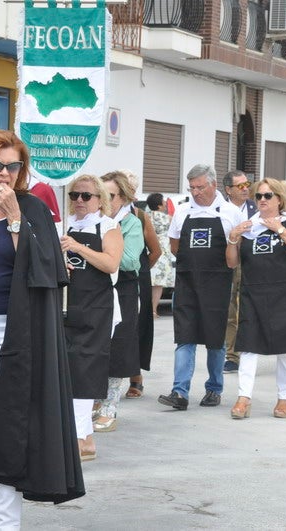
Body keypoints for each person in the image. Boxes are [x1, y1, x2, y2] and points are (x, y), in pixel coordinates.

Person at [0, 129, 84, 528]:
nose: (3, 173)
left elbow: (43, 270)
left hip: (13, 331)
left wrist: (14, 219)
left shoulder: (32, 210)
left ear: (21, 170)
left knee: (2, 424)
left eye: (12, 166)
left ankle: (5, 524)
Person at [158, 164, 242, 410]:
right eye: (192, 187)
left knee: (215, 340)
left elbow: (236, 251)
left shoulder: (230, 212)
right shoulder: (183, 212)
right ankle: (179, 392)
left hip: (217, 284)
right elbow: (175, 246)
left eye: (200, 187)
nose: (195, 192)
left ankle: (214, 389)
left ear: (214, 185)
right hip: (187, 283)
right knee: (185, 337)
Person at [226, 179, 286, 419]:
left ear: (279, 199)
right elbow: (232, 262)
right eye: (259, 196)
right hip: (253, 292)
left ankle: (284, 398)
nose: (262, 199)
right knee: (249, 346)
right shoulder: (247, 226)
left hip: (283, 293)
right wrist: (233, 238)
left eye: (268, 195)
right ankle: (244, 397)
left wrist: (279, 230)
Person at [60, 174, 123, 461]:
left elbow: (111, 263)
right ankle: (83, 439)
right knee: (69, 369)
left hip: (97, 306)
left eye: (86, 196)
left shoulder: (108, 226)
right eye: (75, 195)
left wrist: (78, 247)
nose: (80, 201)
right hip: (68, 305)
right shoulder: (64, 224)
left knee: (85, 369)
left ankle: (80, 437)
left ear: (100, 199)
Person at [94, 171, 143, 430]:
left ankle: (110, 406)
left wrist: (104, 251)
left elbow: (132, 261)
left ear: (123, 198)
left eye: (110, 196)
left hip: (122, 289)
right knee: (94, 346)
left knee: (118, 347)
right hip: (94, 289)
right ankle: (94, 400)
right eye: (100, 194)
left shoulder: (131, 223)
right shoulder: (90, 220)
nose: (104, 200)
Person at [125, 172, 161, 400]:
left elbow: (156, 251)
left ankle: (136, 377)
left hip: (137, 276)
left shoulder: (139, 216)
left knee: (137, 325)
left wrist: (141, 268)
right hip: (110, 274)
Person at [222, 170, 257, 373]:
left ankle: (249, 349)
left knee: (249, 307)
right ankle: (232, 354)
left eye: (247, 184)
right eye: (240, 186)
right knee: (230, 310)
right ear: (228, 189)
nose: (246, 189)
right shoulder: (221, 209)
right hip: (230, 262)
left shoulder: (256, 206)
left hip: (252, 263)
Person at [148, 192, 175, 317]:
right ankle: (153, 309)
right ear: (159, 206)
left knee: (147, 281)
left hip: (148, 249)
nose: (165, 204)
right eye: (163, 202)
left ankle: (146, 309)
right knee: (158, 283)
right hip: (162, 252)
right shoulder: (167, 218)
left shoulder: (145, 216)